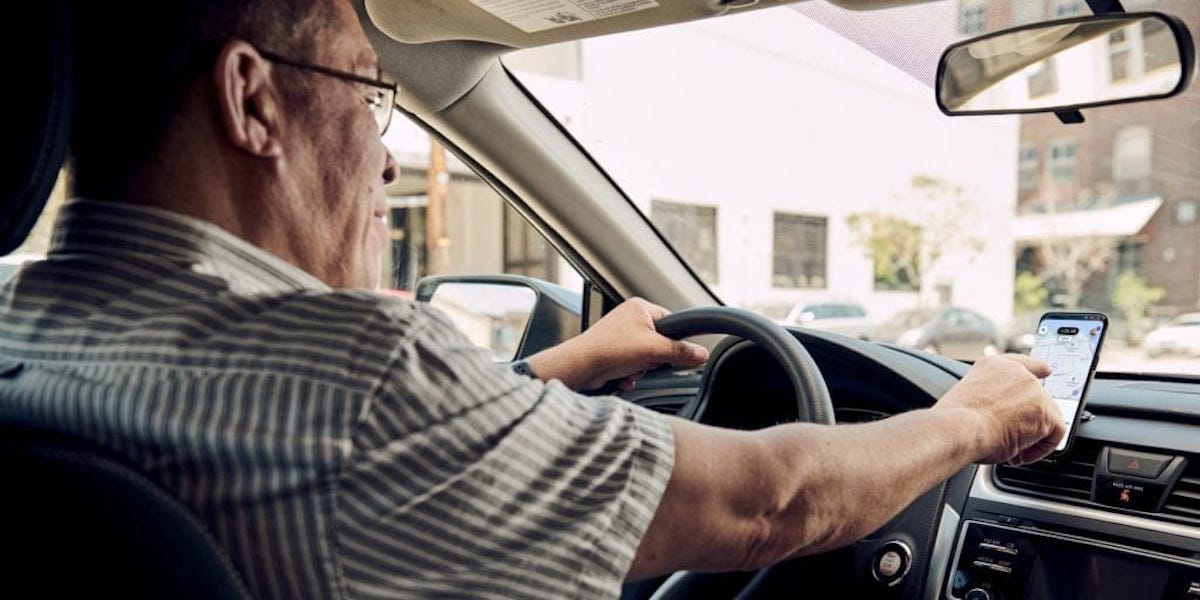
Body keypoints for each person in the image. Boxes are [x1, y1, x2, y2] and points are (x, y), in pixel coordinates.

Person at [0, 0, 1064, 598]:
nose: (386, 160)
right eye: (373, 94)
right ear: (252, 99)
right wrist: (969, 420)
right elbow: (768, 503)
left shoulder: (24, 342)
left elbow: (325, 458)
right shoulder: (359, 379)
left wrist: (564, 368)